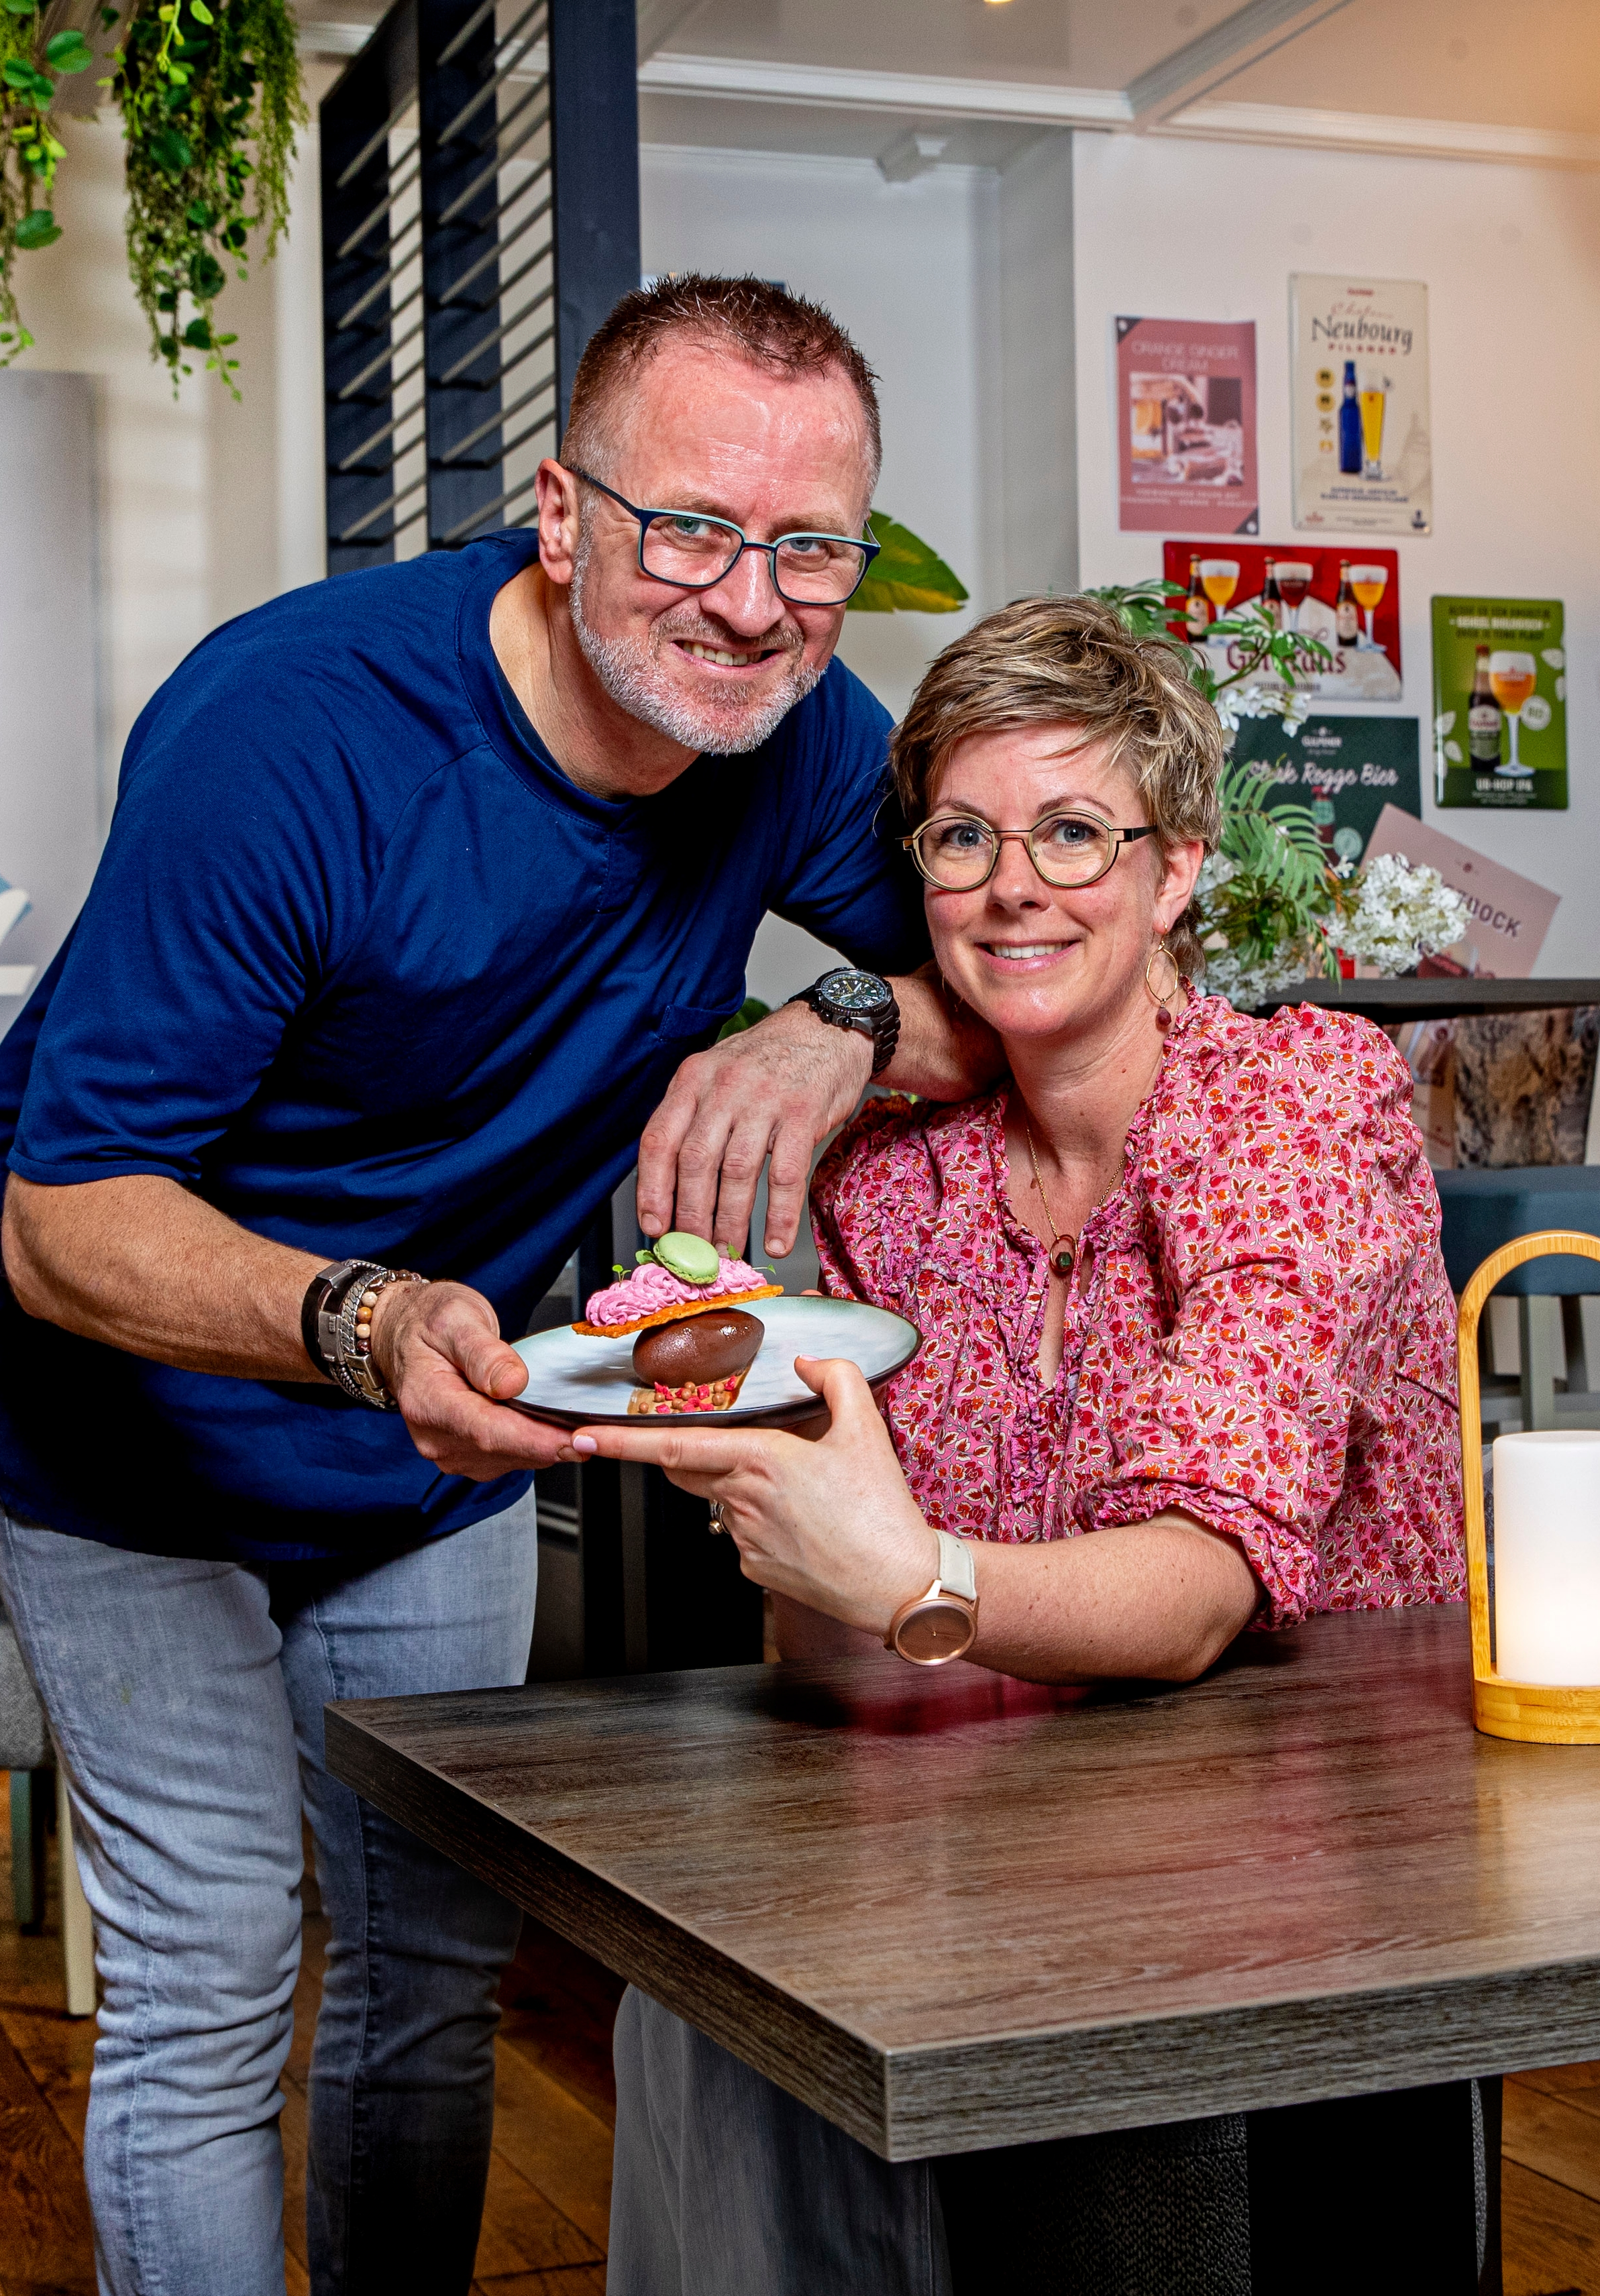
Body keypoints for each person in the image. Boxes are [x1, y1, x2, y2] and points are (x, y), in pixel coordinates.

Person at [0, 275, 999, 2296]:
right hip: (131, 1409)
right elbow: (67, 1217)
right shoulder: (290, 733)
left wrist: (833, 1023)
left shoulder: (788, 739)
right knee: (216, 1956)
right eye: (690, 526)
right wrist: (364, 1325)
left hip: (452, 1426)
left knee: (430, 1956)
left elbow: (1009, 982)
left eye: (811, 548)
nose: (753, 603)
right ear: (559, 509)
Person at [580, 595, 1469, 2291]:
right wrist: (755, 1466)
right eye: (964, 837)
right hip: (1010, 1845)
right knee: (701, 2008)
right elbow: (837, 1638)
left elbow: (1200, 1588)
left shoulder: (1299, 1100)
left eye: (1074, 830)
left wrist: (904, 1569)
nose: (1013, 884)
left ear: (1176, 869)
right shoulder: (886, 1183)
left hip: (1332, 1859)